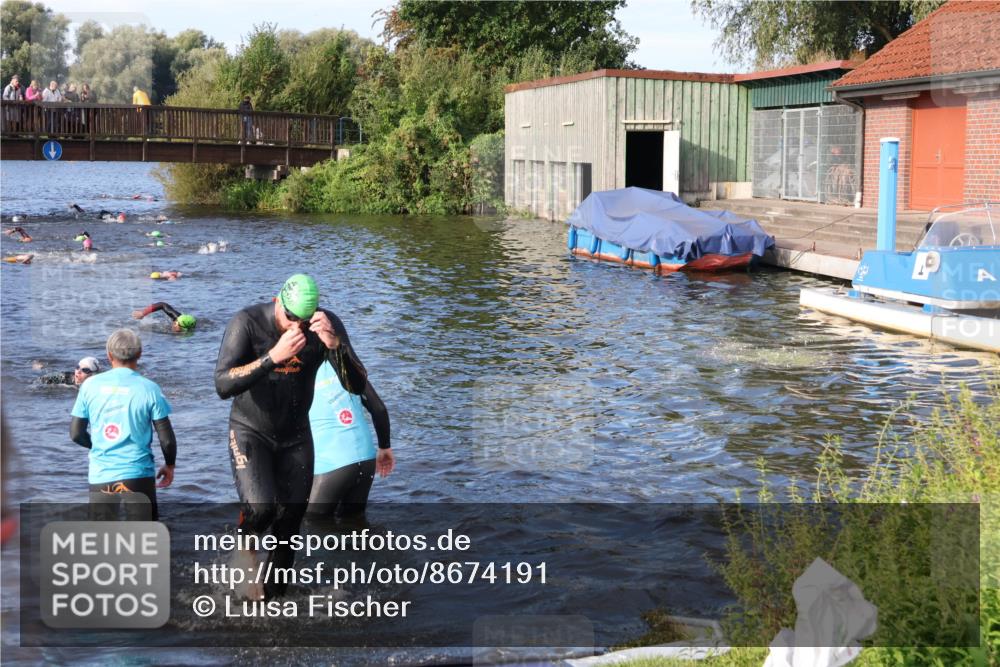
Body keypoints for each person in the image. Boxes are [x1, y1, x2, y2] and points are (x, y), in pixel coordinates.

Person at [214, 274, 368, 599]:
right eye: (289, 319)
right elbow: (222, 385)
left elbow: (356, 384)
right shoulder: (247, 323)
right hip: (250, 431)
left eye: (303, 321)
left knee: (289, 527)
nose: (295, 328)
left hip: (296, 437)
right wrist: (273, 357)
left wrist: (334, 346)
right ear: (277, 302)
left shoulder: (326, 325)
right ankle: (246, 541)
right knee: (262, 511)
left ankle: (271, 602)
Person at [70, 329, 176, 520]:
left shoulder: (89, 386)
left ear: (109, 355)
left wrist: (98, 446)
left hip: (101, 475)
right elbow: (166, 439)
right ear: (140, 354)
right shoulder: (150, 388)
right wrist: (169, 465)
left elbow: (76, 434)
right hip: (138, 474)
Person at [307, 367, 393, 518]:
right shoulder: (348, 368)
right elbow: (379, 409)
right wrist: (384, 448)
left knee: (311, 525)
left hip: (331, 464)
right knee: (355, 524)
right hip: (367, 459)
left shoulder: (298, 370)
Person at [132, 302, 197, 332]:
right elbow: (162, 305)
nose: (174, 325)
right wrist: (143, 313)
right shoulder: (177, 317)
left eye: (183, 330)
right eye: (175, 322)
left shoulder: (187, 330)